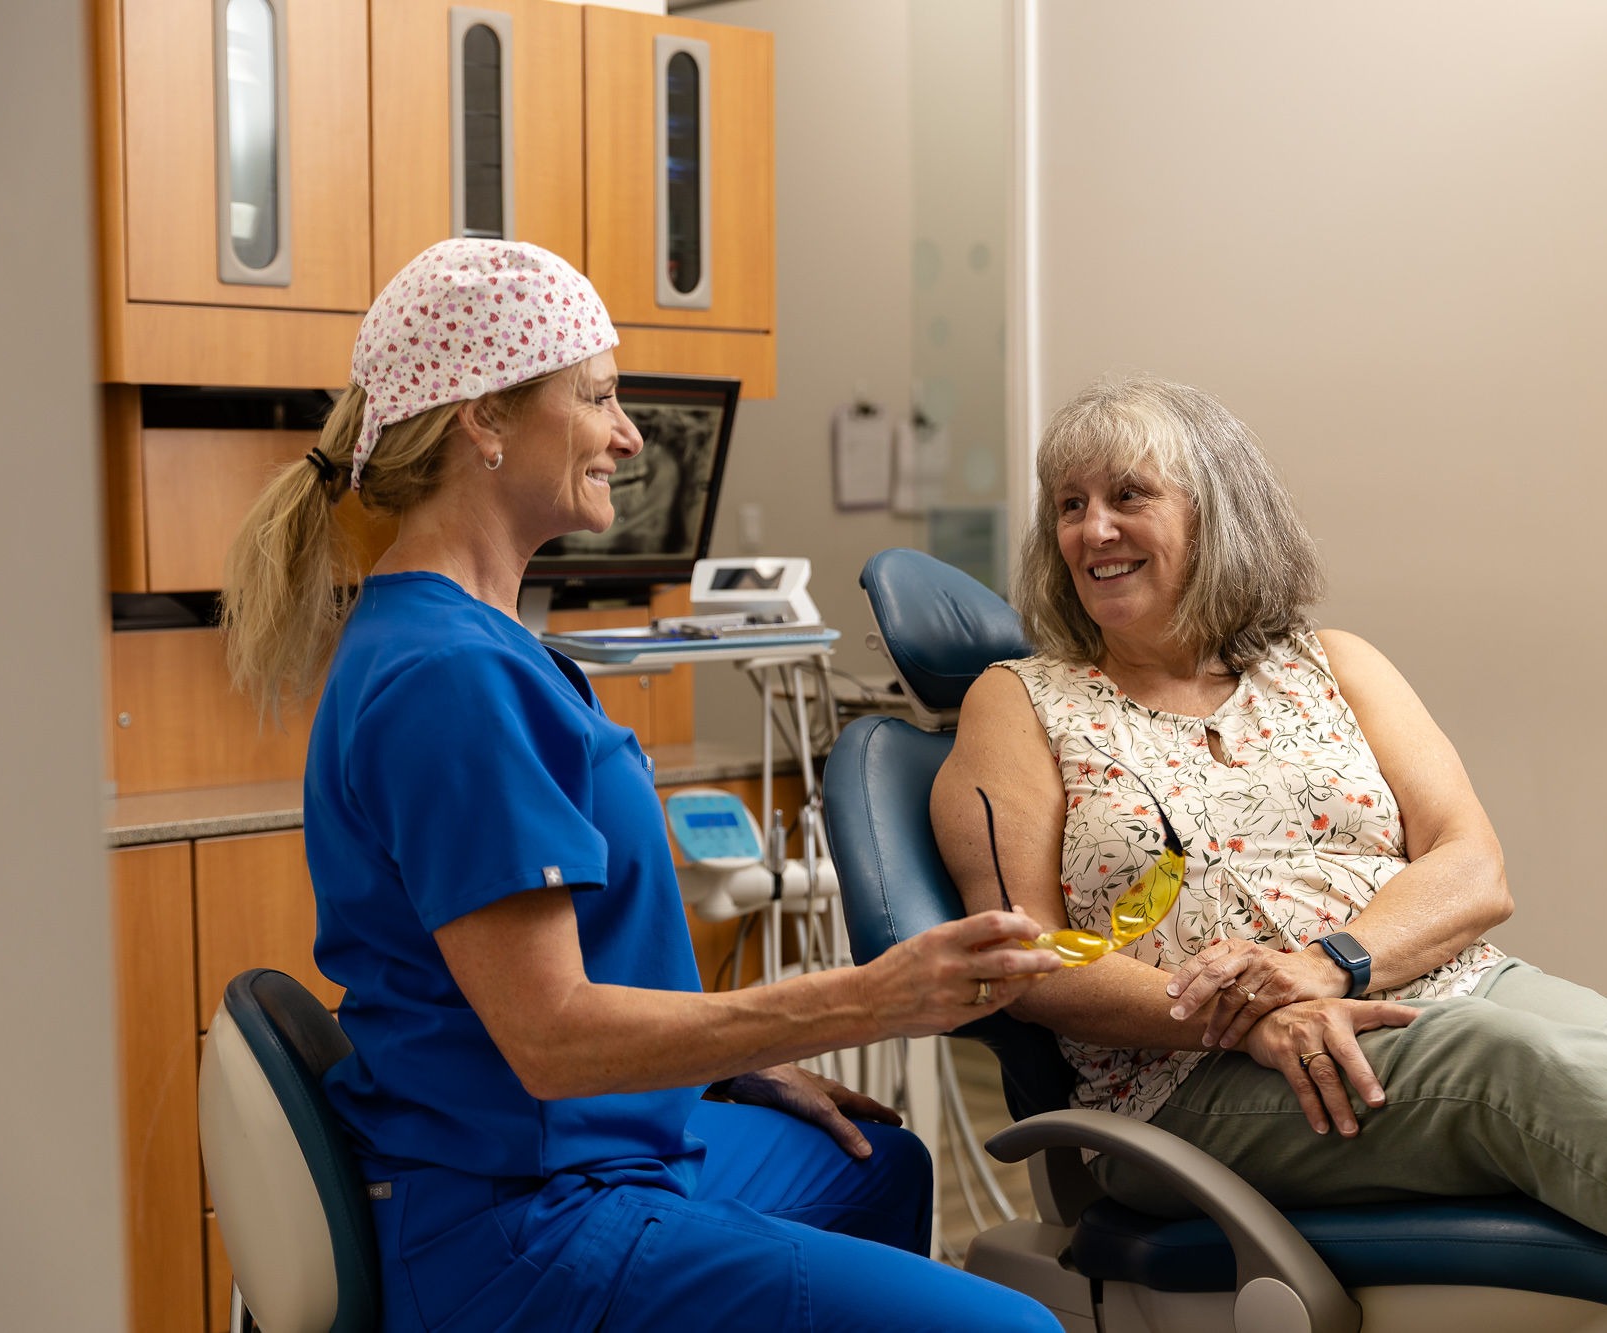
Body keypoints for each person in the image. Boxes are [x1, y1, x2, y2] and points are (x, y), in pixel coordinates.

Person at [930, 373, 1607, 1323]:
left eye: (1127, 496)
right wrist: (1239, 1018)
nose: (1092, 529)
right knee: (1507, 1068)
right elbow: (1026, 958)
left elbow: (1472, 866)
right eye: (1070, 505)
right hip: (1190, 1080)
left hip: (1437, 981)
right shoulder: (1020, 703)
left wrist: (1325, 966)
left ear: (1214, 513)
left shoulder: (1330, 663)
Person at [221, 238, 1064, 1333]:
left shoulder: (467, 644)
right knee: (1018, 1328)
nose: (627, 434)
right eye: (599, 396)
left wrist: (720, 1067)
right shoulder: (449, 679)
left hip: (573, 1147)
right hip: (520, 1224)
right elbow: (551, 1037)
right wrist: (867, 999)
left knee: (875, 1165)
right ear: (483, 418)